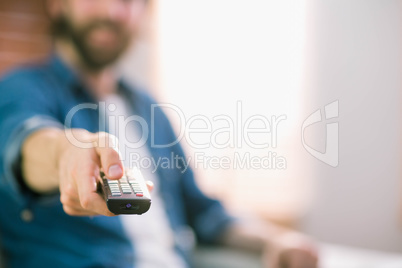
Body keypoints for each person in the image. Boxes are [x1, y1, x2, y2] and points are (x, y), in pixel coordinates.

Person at [0, 0, 318, 267]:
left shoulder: (149, 108)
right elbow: (24, 142)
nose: (111, 12)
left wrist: (277, 240)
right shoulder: (21, 88)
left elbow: (206, 214)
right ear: (57, 5)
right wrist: (68, 154)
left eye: (127, 0)